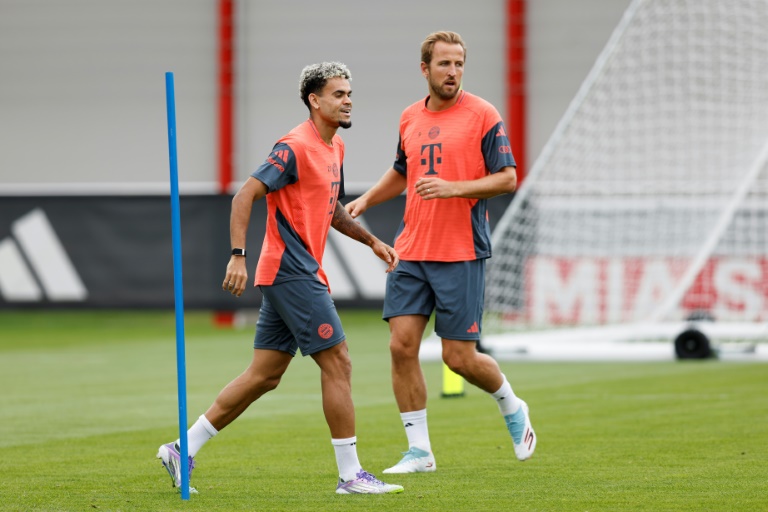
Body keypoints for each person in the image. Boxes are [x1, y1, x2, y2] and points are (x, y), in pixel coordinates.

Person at [157, 61, 404, 495]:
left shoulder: (336, 147)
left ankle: (182, 448)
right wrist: (238, 256)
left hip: (294, 271)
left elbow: (333, 208)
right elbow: (245, 194)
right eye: (339, 94)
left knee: (265, 375)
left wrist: (371, 241)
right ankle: (350, 476)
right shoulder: (294, 147)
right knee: (339, 360)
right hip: (291, 270)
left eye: (349, 93)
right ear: (315, 100)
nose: (348, 100)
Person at [344, 31, 536, 474]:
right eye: (444, 64)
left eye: (459, 64)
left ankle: (512, 405)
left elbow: (507, 178)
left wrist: (454, 188)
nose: (453, 72)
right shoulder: (409, 116)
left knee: (458, 359)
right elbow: (402, 171)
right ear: (425, 68)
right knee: (401, 346)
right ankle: (420, 451)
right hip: (411, 249)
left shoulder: (483, 115)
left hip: (461, 251)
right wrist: (367, 199)